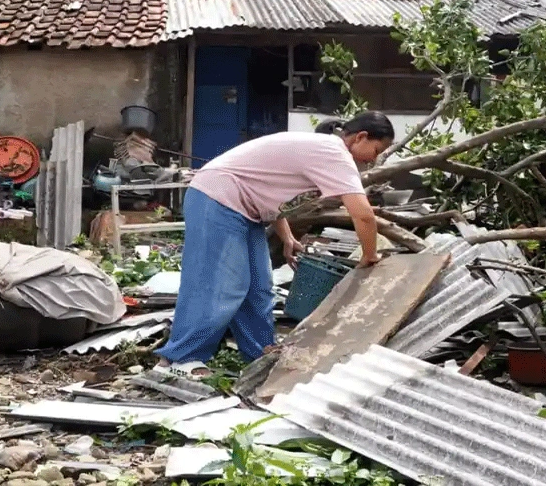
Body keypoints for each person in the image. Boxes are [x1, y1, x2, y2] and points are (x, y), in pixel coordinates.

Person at [156, 111, 395, 378]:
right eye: (377, 149)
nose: (374, 159)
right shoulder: (334, 153)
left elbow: (268, 188)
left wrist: (288, 238)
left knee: (259, 286)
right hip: (217, 197)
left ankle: (260, 354)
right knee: (220, 283)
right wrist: (370, 255)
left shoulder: (322, 149)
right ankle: (181, 359)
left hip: (244, 207)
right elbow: (363, 214)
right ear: (361, 137)